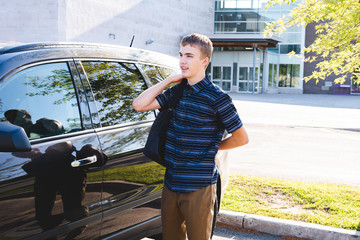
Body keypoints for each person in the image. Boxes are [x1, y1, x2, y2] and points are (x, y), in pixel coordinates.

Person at [132, 33, 249, 240]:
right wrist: (169, 80)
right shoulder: (177, 92)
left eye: (189, 56)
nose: (182, 61)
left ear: (204, 61)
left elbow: (241, 137)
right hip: (171, 182)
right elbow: (139, 105)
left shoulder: (218, 98)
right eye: (181, 55)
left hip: (199, 186)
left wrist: (212, 147)